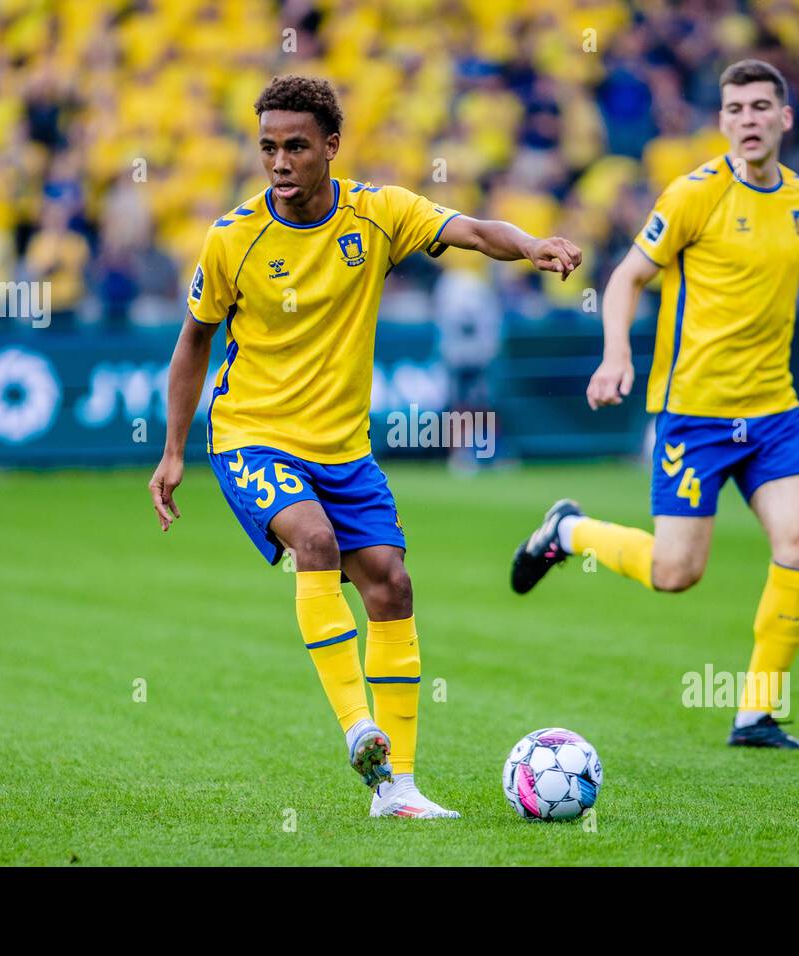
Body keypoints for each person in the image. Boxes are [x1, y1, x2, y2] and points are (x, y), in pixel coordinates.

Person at [148, 75, 581, 817]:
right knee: (312, 540)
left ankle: (399, 791)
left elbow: (473, 231)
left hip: (343, 449)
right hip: (251, 436)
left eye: (295, 147)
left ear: (331, 148)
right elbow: (193, 342)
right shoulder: (232, 239)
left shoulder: (378, 214)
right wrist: (173, 450)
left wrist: (533, 245)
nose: (279, 162)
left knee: (392, 585)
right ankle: (359, 731)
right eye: (267, 148)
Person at [510, 60, 799, 750]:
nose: (747, 120)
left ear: (784, 118)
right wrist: (616, 354)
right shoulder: (695, 195)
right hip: (695, 415)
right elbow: (628, 276)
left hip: (774, 413)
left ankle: (756, 712)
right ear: (721, 122)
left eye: (760, 107)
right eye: (734, 109)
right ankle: (567, 532)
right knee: (675, 573)